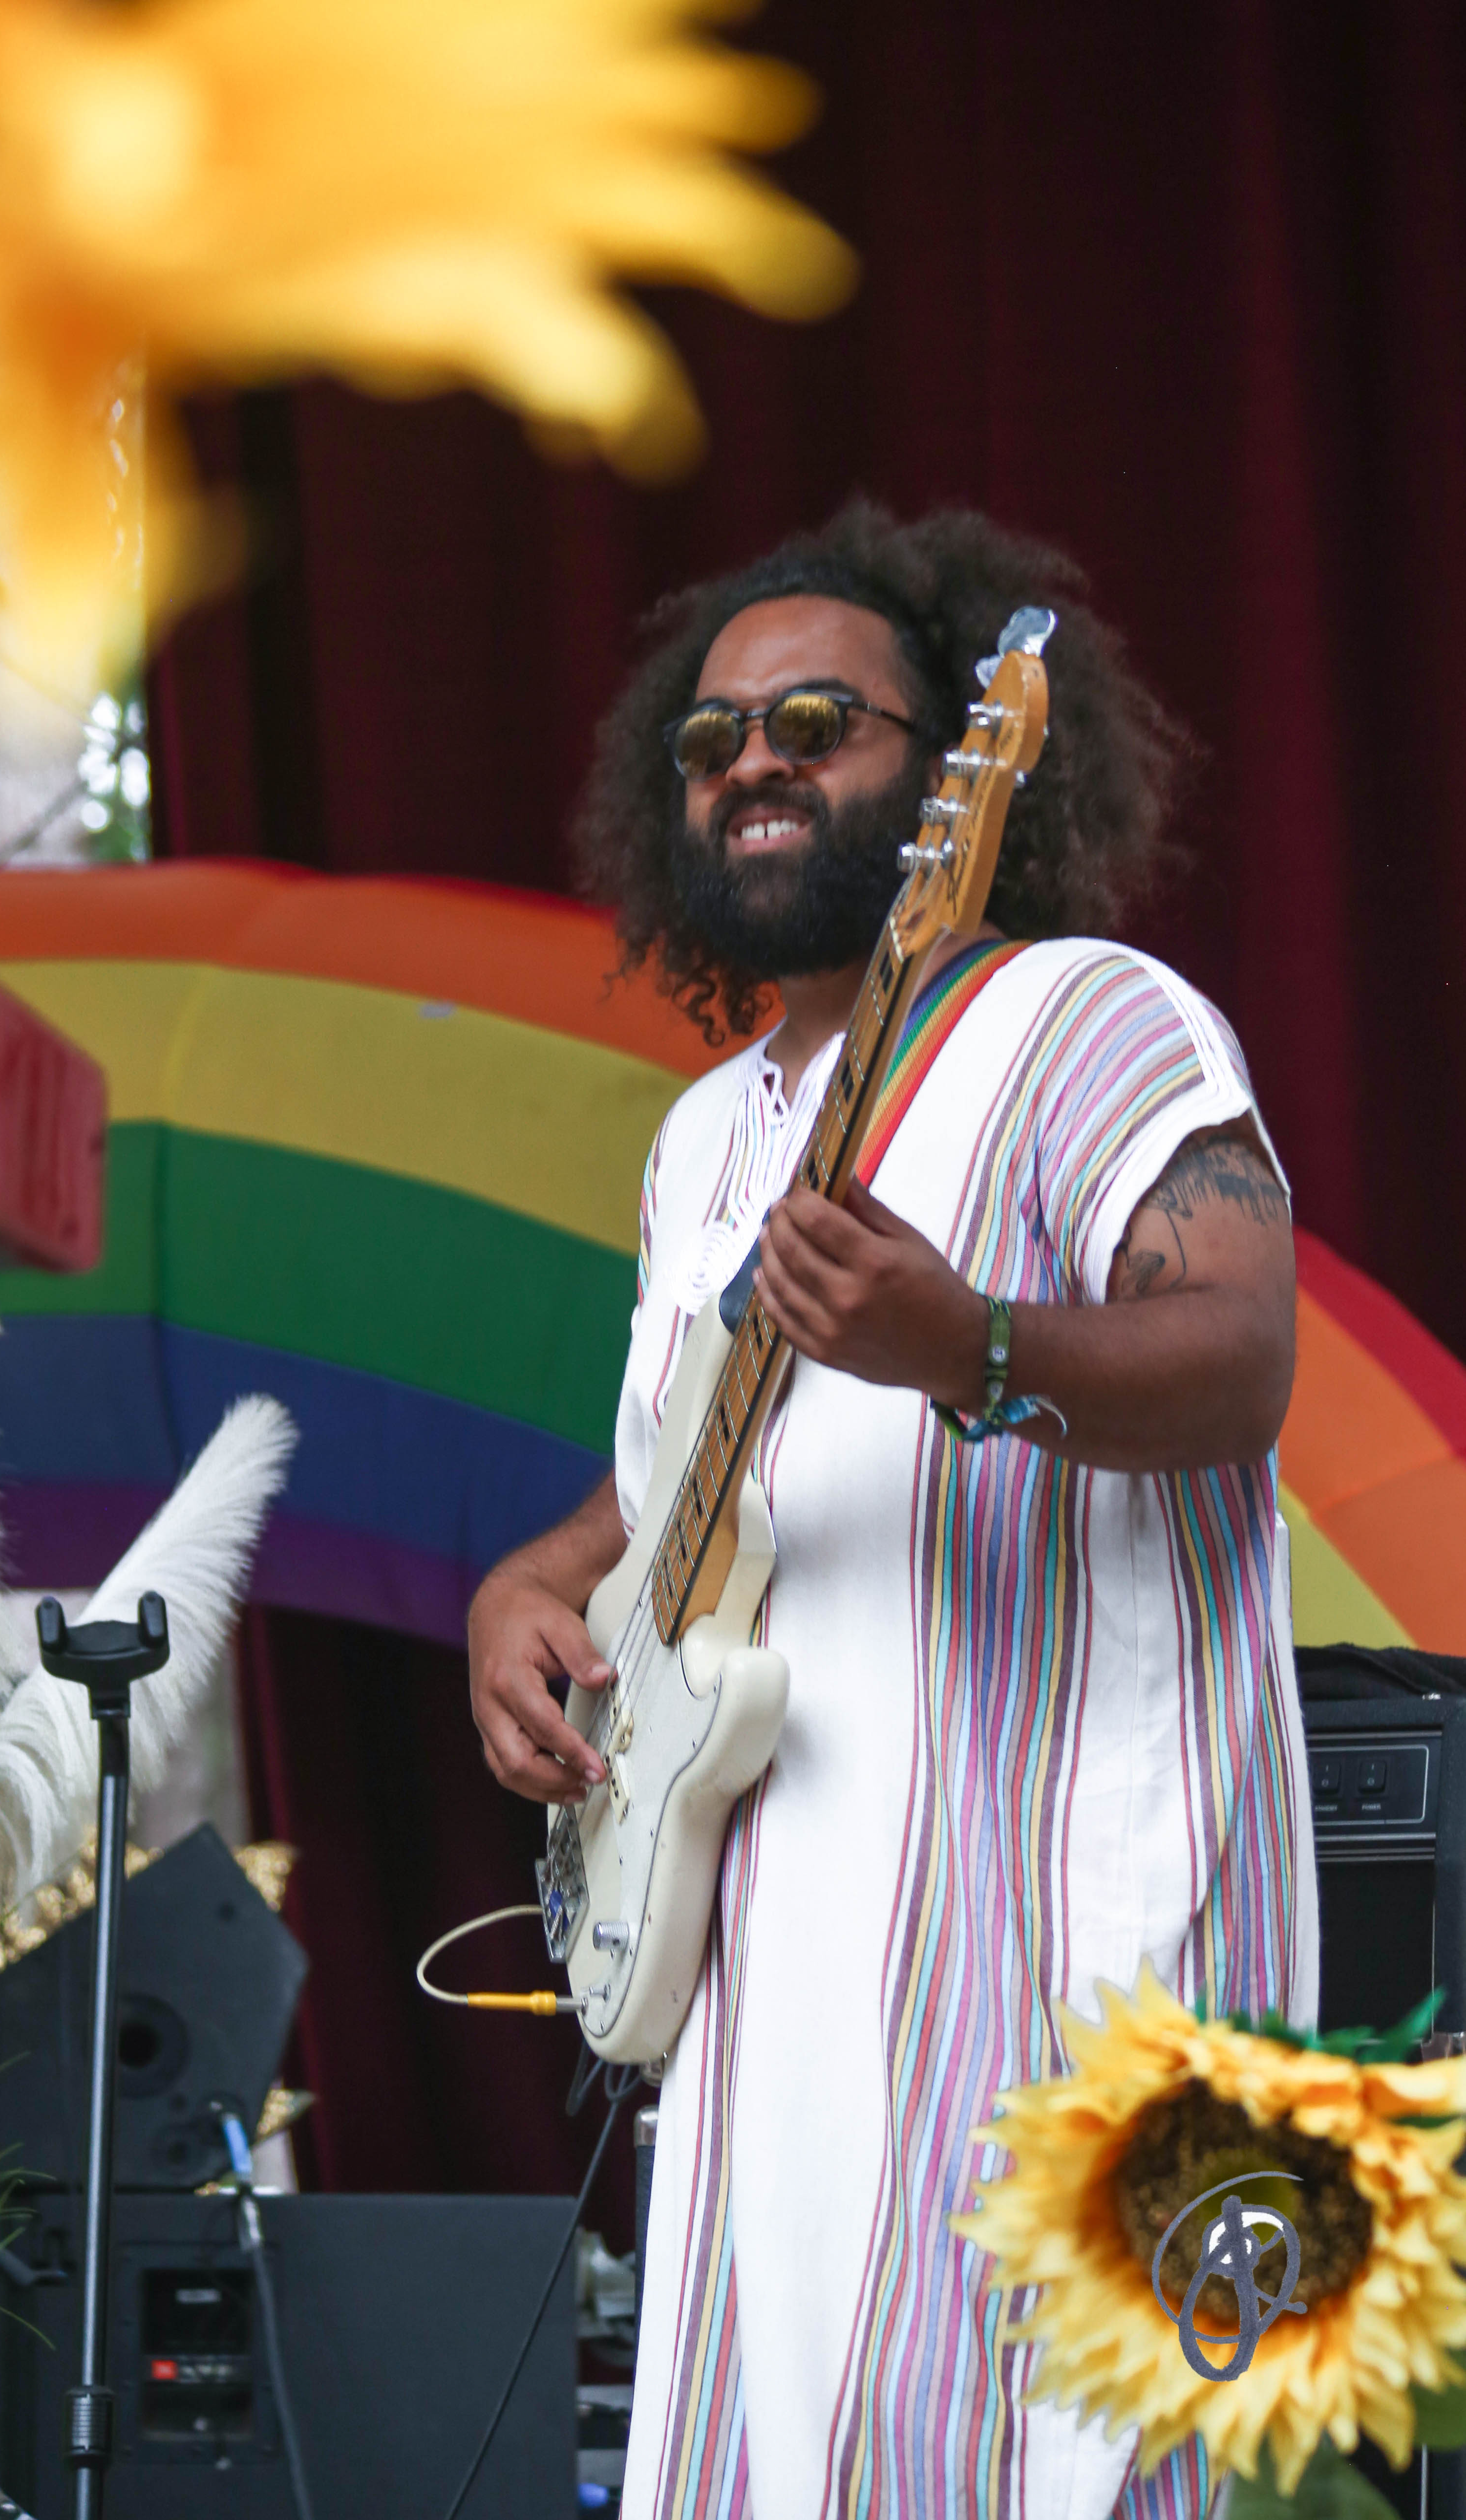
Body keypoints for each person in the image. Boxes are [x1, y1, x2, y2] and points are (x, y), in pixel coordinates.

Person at [467, 501, 1312, 2520]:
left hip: (1053, 1934)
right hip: (771, 1973)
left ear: (951, 775)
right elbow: (703, 1451)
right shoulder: (704, 1143)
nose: (749, 759)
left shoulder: (1087, 1021)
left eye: (816, 721)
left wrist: (971, 1349)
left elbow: (1239, 1355)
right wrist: (539, 1577)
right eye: (709, 738)